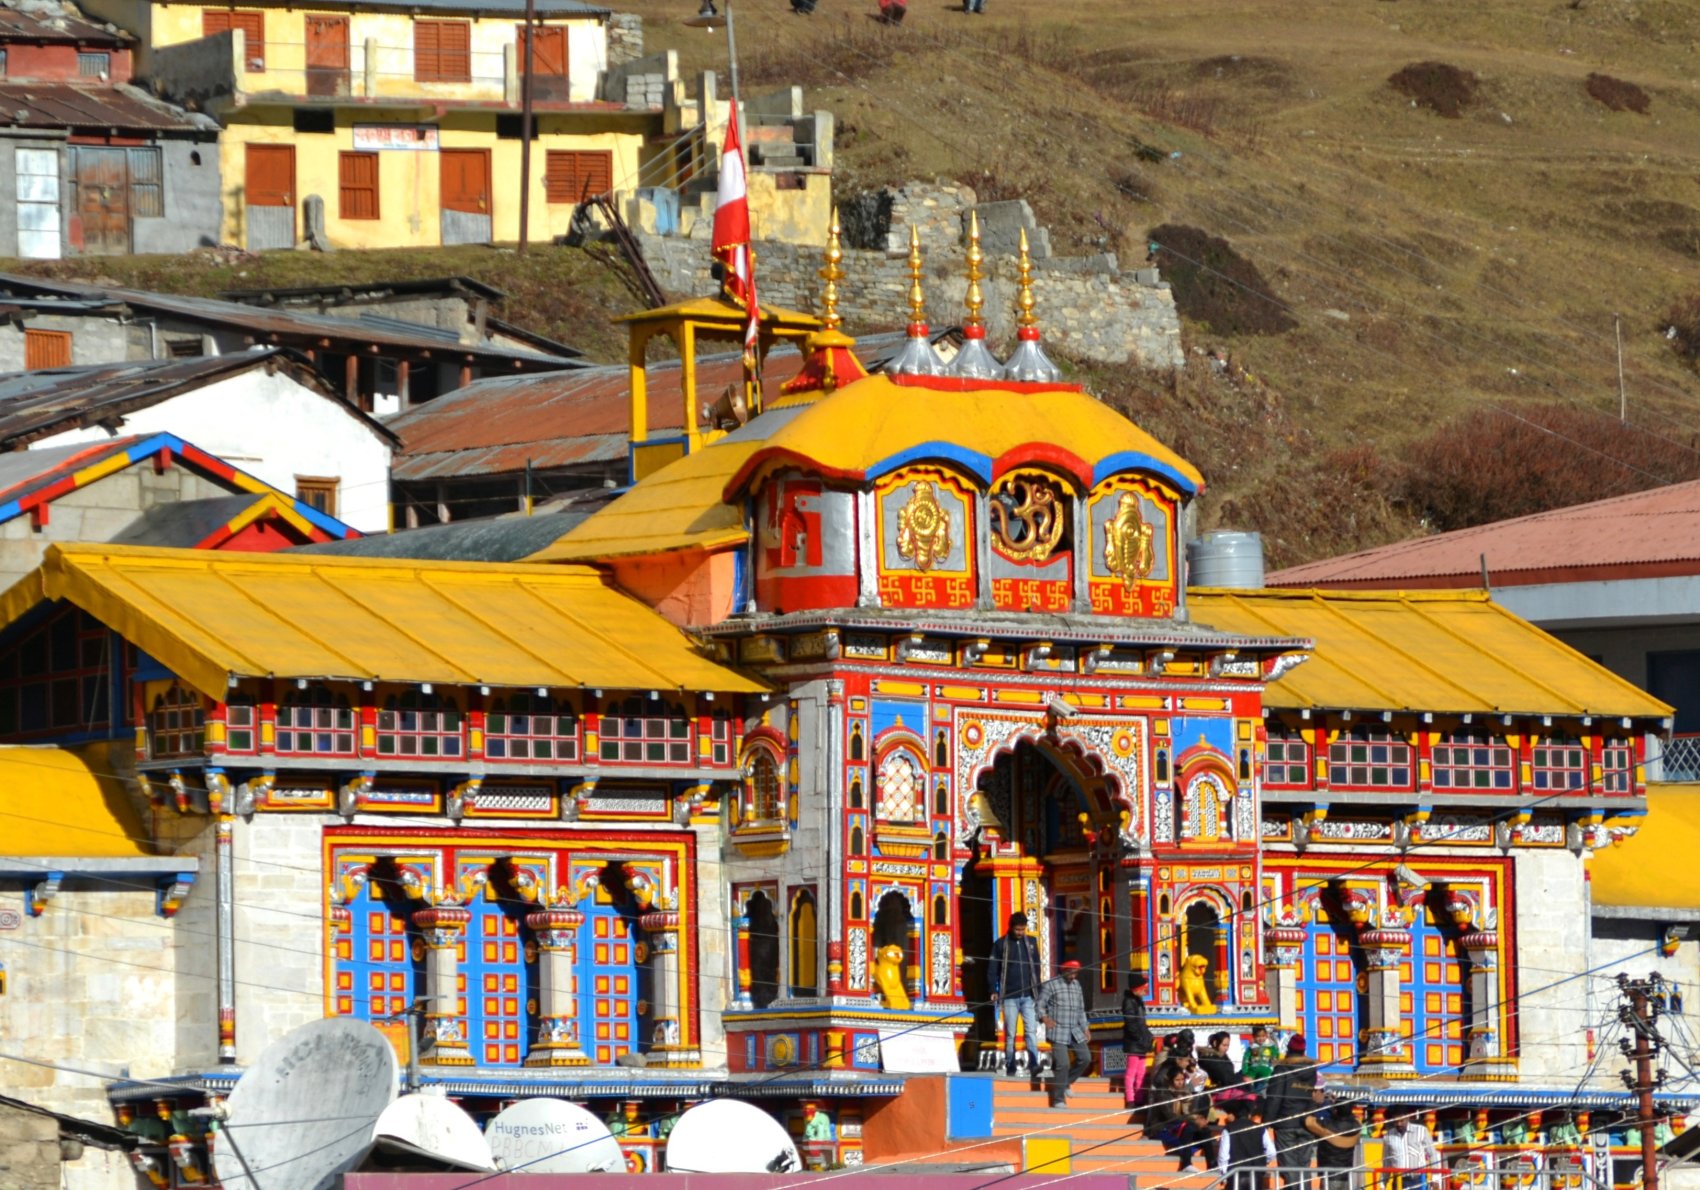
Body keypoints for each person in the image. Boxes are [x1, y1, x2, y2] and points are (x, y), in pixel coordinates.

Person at [1262, 1036, 1321, 1190]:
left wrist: (1267, 1120)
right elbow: (1313, 1095)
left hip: (1285, 1123)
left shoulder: (1282, 1069)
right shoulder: (1311, 1070)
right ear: (1303, 1051)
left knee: (1289, 1166)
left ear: (1288, 1049)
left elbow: (1275, 1097)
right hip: (1306, 1123)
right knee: (1303, 1165)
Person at [988, 911, 1042, 1078]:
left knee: (1030, 1031)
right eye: (1018, 929)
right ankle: (1010, 1064)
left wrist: (1038, 990)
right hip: (1009, 996)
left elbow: (1037, 967)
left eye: (1023, 929)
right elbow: (992, 969)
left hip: (1028, 996)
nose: (1020, 932)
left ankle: (1034, 1063)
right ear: (1011, 928)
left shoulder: (1031, 943)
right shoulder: (1000, 944)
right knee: (1010, 1033)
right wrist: (993, 990)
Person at [1037, 960, 1093, 1107]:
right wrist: (1045, 1018)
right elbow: (1039, 1005)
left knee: (1085, 1058)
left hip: (1074, 1029)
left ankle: (1066, 1082)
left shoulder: (1077, 985)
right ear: (1064, 971)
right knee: (1063, 1063)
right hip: (1058, 1030)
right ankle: (1058, 1099)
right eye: (1071, 973)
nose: (1074, 976)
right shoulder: (1050, 985)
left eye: (1076, 973)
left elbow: (1081, 1009)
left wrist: (1085, 1027)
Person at [1145, 1064, 1219, 1169]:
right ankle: (1186, 1164)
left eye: (1182, 1079)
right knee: (1189, 1128)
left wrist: (1199, 1119)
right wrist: (1193, 1119)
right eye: (1177, 1080)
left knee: (1204, 1130)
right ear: (1170, 1080)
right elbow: (1170, 1117)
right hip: (1163, 1128)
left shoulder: (1185, 1092)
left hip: (1181, 1126)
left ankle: (1211, 1164)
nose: (1180, 1082)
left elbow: (1190, 1112)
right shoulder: (1163, 1094)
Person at [1304, 1086, 1360, 1190]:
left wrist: (1316, 1102)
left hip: (1329, 1175)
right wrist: (1336, 1107)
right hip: (1346, 1176)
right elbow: (1352, 1118)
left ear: (1336, 1110)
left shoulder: (1327, 1127)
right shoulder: (1357, 1126)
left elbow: (1308, 1121)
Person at [1218, 1098, 1275, 1190]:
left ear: (1234, 1114)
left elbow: (1223, 1155)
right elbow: (1271, 1152)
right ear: (1249, 1114)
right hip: (1256, 1174)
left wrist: (1224, 1174)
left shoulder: (1229, 1129)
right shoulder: (1260, 1128)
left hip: (1235, 1174)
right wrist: (1262, 1162)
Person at [1120, 973, 1155, 1109]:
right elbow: (1131, 1023)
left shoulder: (1138, 1000)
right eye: (1144, 988)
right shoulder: (1129, 1001)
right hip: (1134, 1042)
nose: (1146, 990)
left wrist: (1148, 1037)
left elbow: (1142, 1023)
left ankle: (1139, 1098)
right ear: (1137, 988)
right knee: (1131, 1072)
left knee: (1141, 1072)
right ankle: (1130, 1098)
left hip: (1141, 1042)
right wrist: (1140, 1038)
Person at [1384, 1110, 1442, 1190]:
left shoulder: (1421, 1131)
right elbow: (1386, 1161)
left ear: (1407, 1118)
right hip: (1398, 1181)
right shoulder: (1388, 1135)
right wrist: (1382, 1184)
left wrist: (1435, 1179)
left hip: (1418, 1180)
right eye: (1396, 1121)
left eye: (1401, 1121)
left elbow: (1432, 1154)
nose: (1399, 1124)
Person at [1242, 1025, 1280, 1091]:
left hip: (1265, 1072)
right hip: (1253, 1072)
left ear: (1266, 1035)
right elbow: (1245, 1059)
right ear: (1254, 1036)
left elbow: (1276, 1055)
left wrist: (1274, 1059)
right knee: (1249, 1088)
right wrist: (1245, 1072)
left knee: (1261, 1088)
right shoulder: (1251, 1048)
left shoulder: (1270, 1046)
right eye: (1258, 1036)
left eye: (1263, 1036)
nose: (1261, 1038)